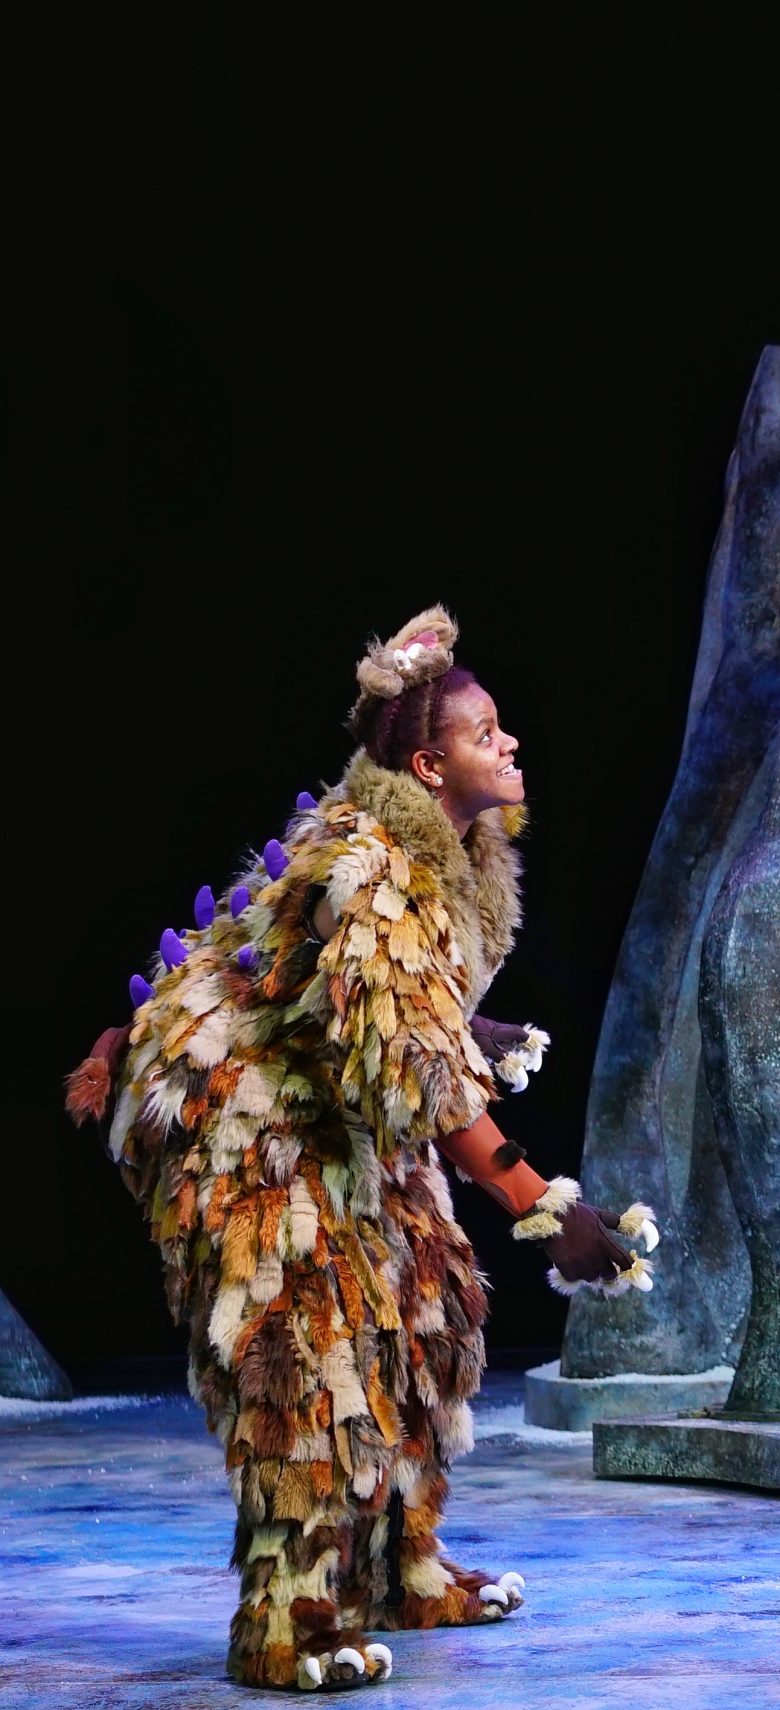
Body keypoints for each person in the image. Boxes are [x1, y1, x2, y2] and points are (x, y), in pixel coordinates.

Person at [63, 607, 659, 1691]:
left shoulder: (456, 856)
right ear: (430, 766)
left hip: (337, 1102)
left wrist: (469, 1032)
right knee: (306, 1351)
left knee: (431, 1315)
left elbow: (391, 1004)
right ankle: (285, 1620)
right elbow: (412, 1069)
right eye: (485, 734)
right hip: (241, 1114)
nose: (510, 743)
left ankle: (398, 1571)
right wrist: (545, 1206)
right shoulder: (370, 865)